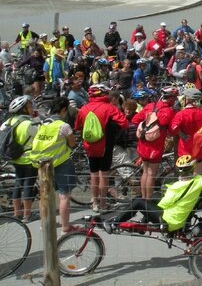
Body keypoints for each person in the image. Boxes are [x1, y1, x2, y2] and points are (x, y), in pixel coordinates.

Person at [105, 155, 202, 234]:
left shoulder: (177, 186)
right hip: (177, 216)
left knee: (138, 202)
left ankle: (114, 223)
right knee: (155, 196)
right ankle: (143, 224)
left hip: (170, 221)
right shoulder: (201, 180)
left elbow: (164, 204)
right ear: (192, 168)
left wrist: (149, 204)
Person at [75, 85, 128, 212]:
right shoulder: (109, 108)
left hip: (90, 145)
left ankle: (94, 202)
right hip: (105, 145)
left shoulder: (84, 108)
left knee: (93, 174)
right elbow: (124, 123)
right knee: (104, 175)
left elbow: (77, 126)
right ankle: (103, 203)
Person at [30, 97, 78, 233]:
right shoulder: (63, 126)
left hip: (42, 163)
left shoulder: (42, 123)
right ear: (63, 110)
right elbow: (72, 142)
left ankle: (45, 223)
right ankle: (66, 226)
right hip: (61, 162)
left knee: (45, 194)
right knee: (64, 195)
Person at [131, 86, 178, 199]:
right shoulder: (169, 111)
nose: (175, 100)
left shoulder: (149, 106)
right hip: (155, 147)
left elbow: (135, 120)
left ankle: (143, 198)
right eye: (175, 98)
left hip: (143, 144)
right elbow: (172, 131)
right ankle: (148, 199)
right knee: (151, 174)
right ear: (170, 98)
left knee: (145, 172)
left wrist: (147, 124)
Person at [3, 95, 40, 221]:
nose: (31, 108)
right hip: (29, 159)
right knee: (28, 185)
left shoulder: (8, 122)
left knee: (18, 184)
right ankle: (27, 215)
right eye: (29, 106)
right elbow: (40, 136)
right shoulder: (29, 124)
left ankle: (16, 213)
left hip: (14, 158)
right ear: (24, 109)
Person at [170, 88, 202, 160]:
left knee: (186, 170)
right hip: (200, 147)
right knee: (198, 169)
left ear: (187, 99)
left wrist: (181, 134)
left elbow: (173, 128)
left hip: (185, 148)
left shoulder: (181, 114)